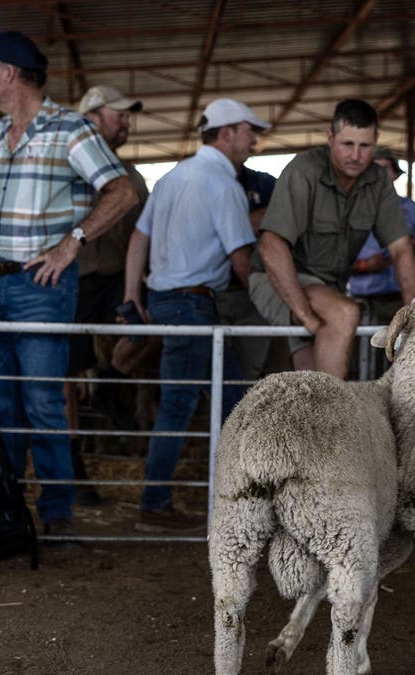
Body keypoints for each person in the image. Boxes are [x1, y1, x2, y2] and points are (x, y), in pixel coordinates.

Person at [0, 32, 138, 538]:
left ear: (10, 73)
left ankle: (57, 511)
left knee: (42, 401)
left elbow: (121, 191)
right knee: (3, 405)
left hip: (40, 284)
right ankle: (8, 509)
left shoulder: (70, 130)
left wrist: (71, 243)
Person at [123, 98, 263, 532]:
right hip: (193, 303)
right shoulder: (223, 185)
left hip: (167, 300)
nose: (253, 140)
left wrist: (133, 295)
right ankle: (156, 502)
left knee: (231, 400)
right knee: (187, 404)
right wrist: (273, 302)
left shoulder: (172, 176)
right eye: (247, 131)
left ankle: (246, 498)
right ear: (226, 134)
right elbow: (241, 257)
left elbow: (139, 236)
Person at [248, 99, 415, 378]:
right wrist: (306, 317)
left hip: (328, 287)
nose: (355, 155)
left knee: (308, 380)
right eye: (347, 144)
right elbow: (271, 245)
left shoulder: (378, 182)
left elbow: (401, 249)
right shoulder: (304, 171)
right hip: (277, 277)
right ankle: (331, 417)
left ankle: (312, 414)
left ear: (375, 141)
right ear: (330, 138)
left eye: (365, 146)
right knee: (344, 314)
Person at [67, 84, 151, 501]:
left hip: (120, 277)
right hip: (73, 278)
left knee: (148, 331)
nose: (126, 122)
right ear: (93, 115)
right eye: (120, 114)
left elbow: (145, 233)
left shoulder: (132, 176)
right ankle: (72, 464)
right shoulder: (67, 168)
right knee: (65, 369)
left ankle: (109, 380)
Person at [349, 146, 415, 328]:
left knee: (396, 350)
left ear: (394, 173)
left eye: (384, 168)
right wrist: (365, 265)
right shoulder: (349, 208)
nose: (379, 175)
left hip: (398, 298)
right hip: (360, 299)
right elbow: (333, 263)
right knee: (357, 351)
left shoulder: (410, 208)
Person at [215, 164, 279, 381]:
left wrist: (231, 223)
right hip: (210, 293)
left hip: (253, 295)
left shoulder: (265, 183)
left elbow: (283, 220)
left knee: (249, 370)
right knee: (210, 368)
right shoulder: (201, 179)